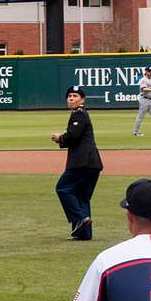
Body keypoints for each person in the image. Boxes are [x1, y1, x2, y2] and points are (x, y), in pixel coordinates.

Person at [51, 85, 102, 241]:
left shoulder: (79, 114)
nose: (71, 98)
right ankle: (84, 234)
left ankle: (80, 219)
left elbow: (73, 136)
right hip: (93, 163)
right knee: (81, 196)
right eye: (69, 96)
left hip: (82, 163)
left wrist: (60, 138)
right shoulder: (80, 114)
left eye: (75, 96)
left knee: (63, 188)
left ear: (82, 99)